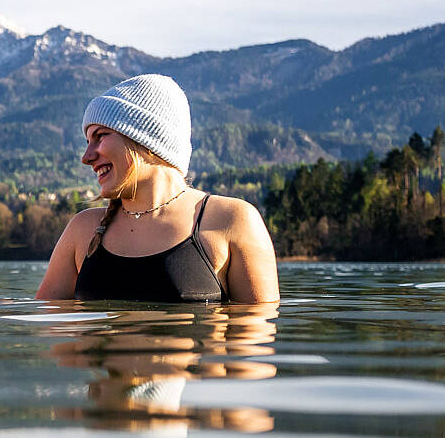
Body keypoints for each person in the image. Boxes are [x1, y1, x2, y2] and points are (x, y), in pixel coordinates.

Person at [35, 75, 279, 303]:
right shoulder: (83, 230)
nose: (86, 157)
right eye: (88, 141)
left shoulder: (231, 220)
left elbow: (253, 341)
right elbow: (50, 333)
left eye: (100, 136)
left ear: (146, 140)